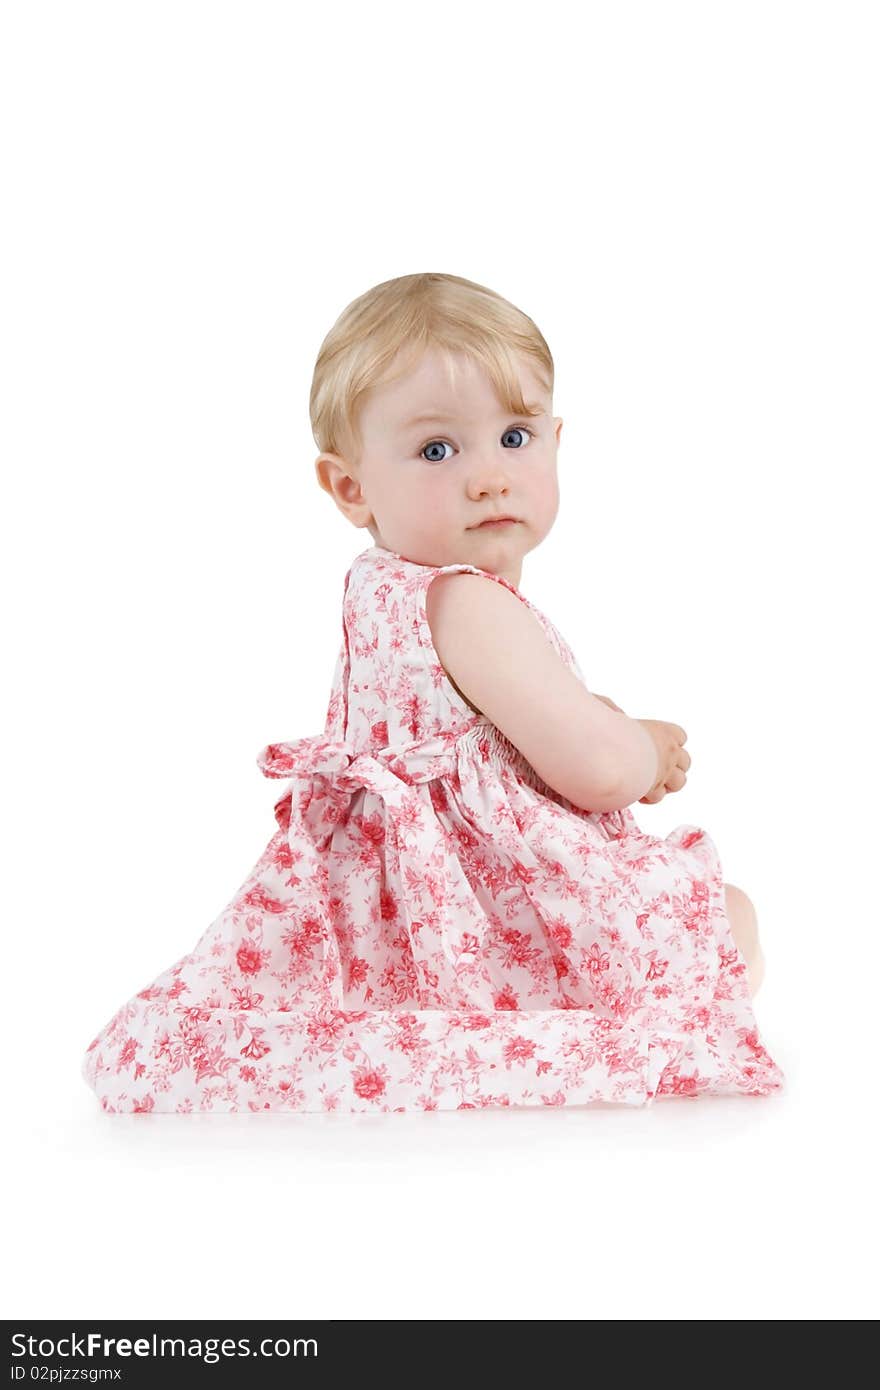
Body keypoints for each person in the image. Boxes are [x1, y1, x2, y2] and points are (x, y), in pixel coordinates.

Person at [81, 271, 784, 1113]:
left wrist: (603, 723)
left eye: (515, 437)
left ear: (558, 440)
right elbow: (593, 770)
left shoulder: (377, 589)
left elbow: (495, 731)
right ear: (350, 486)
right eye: (438, 451)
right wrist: (643, 747)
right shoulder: (468, 601)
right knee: (721, 919)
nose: (488, 477)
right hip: (479, 899)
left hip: (390, 907)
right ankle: (582, 1016)